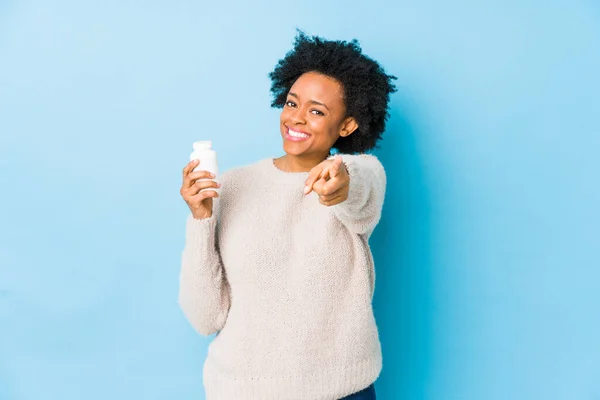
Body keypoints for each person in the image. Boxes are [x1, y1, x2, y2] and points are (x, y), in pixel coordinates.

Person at [178, 31, 397, 400]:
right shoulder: (231, 186)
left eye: (317, 111)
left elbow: (362, 187)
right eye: (292, 103)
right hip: (245, 391)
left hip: (341, 391)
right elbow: (205, 318)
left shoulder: (356, 176)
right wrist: (200, 219)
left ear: (347, 125)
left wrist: (341, 179)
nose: (296, 119)